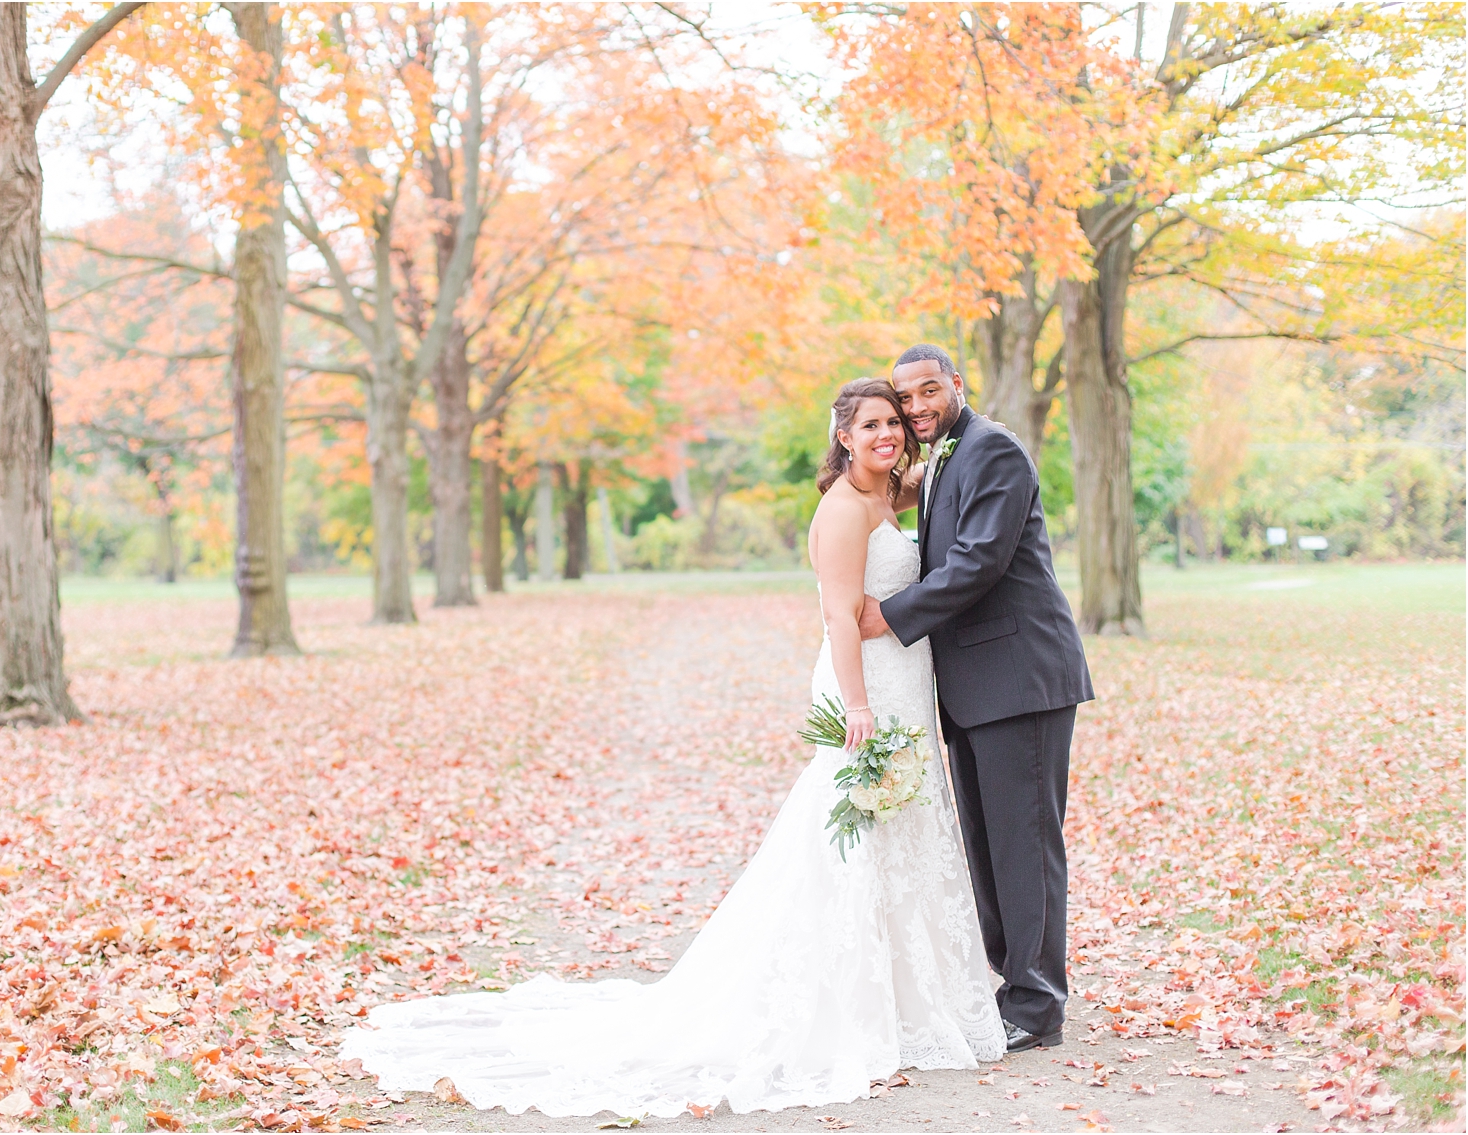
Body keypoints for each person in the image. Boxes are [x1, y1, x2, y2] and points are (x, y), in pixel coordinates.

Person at [340, 378, 1005, 1119]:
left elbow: (949, 476)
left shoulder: (890, 493)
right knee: (852, 833)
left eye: (894, 422)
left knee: (901, 831)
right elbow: (839, 617)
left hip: (908, 679)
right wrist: (856, 704)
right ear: (843, 435)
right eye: (871, 423)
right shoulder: (845, 510)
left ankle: (915, 1000)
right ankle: (853, 1003)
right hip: (870, 687)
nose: (887, 433)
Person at [858, 345, 1095, 1052]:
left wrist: (889, 616)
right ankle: (1012, 985)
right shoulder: (942, 460)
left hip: (1021, 678)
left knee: (1025, 846)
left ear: (958, 385)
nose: (919, 406)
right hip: (973, 688)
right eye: (908, 398)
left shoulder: (995, 452)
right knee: (989, 849)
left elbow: (978, 563)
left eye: (931, 390)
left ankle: (1037, 1002)